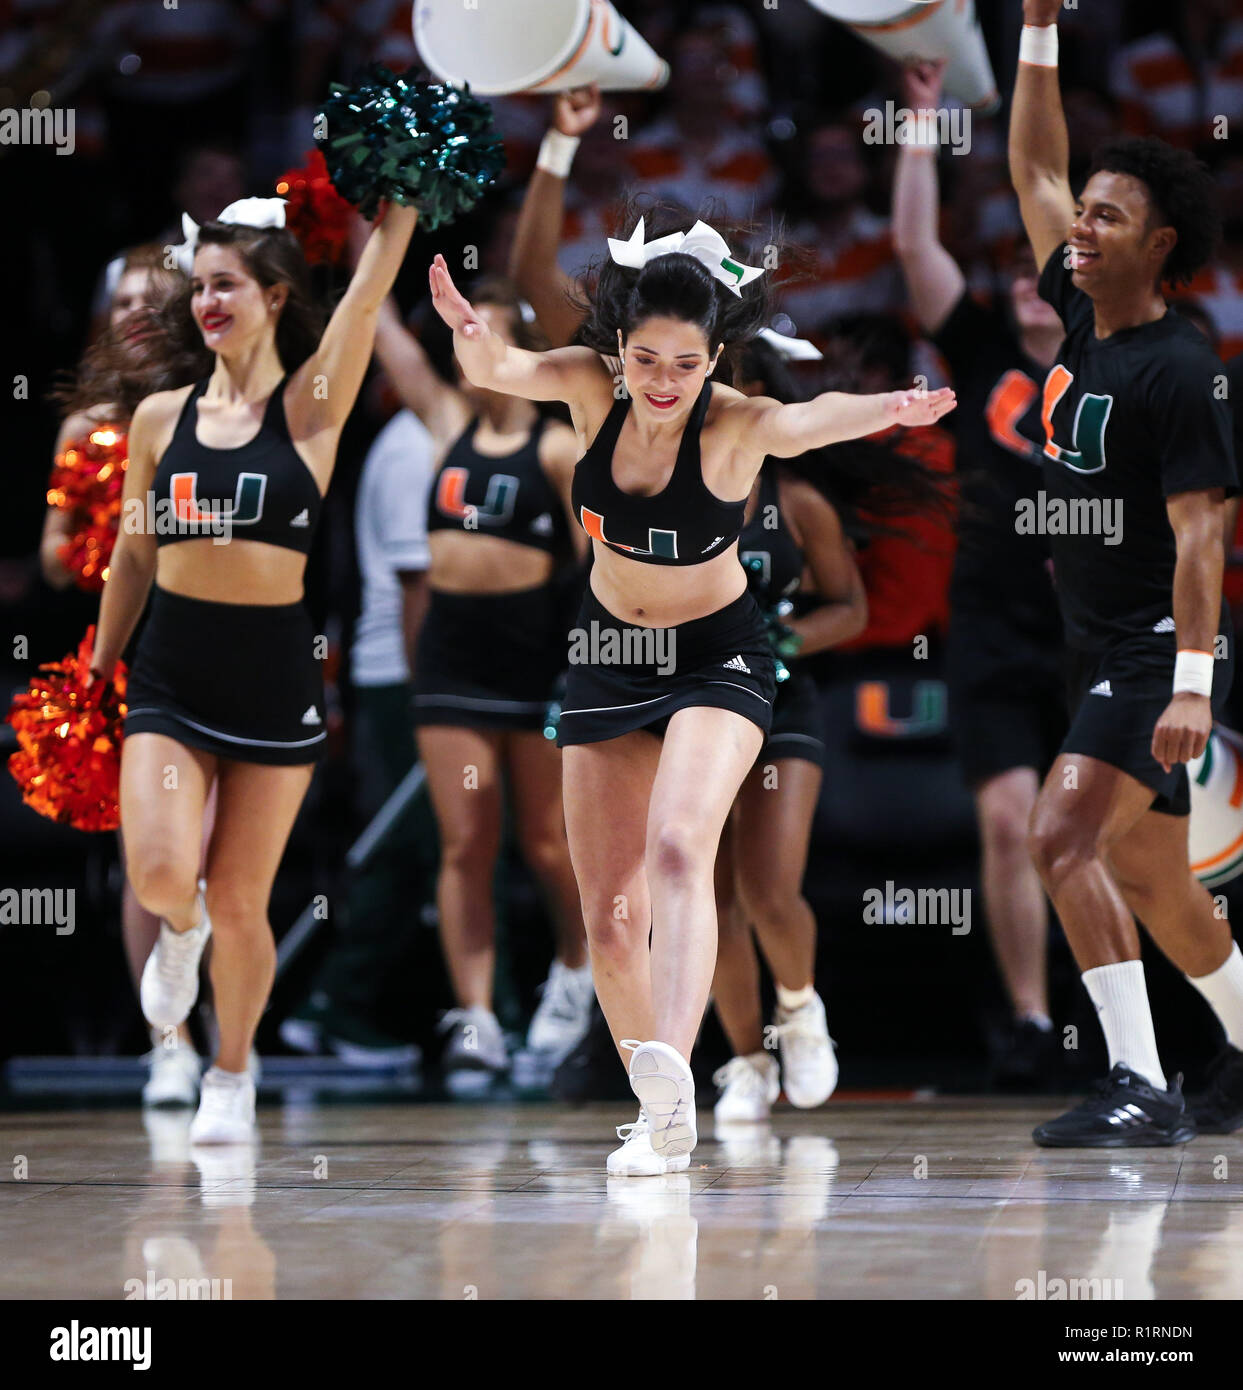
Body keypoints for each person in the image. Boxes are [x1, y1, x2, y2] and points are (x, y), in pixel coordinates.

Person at [428, 204, 955, 1172]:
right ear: (618, 347)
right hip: (605, 662)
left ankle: (687, 1054)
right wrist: (474, 338)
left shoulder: (738, 427)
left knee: (680, 848)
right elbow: (500, 372)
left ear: (715, 358)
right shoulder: (589, 390)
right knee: (610, 917)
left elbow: (810, 420)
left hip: (718, 657)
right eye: (645, 359)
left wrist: (889, 408)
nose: (662, 381)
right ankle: (661, 1110)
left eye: (684, 362)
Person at [88, 194, 419, 1143]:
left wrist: (395, 215)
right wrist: (97, 665)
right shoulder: (159, 417)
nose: (206, 304)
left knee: (240, 898)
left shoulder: (312, 406)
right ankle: (178, 939)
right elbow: (133, 554)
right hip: (170, 670)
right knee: (159, 876)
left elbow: (360, 303)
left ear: (274, 297)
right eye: (198, 288)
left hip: (274, 676)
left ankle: (231, 1072)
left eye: (225, 286)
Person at [1011, 0, 1243, 1145]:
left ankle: (1140, 1082)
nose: (1080, 225)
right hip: (1095, 642)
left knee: (1055, 839)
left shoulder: (1181, 367)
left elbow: (1204, 536)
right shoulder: (1077, 311)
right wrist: (1041, 27)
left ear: (1160, 245)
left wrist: (1193, 681)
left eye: (1107, 216)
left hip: (1159, 646)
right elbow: (1032, 160)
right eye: (1083, 212)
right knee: (1157, 885)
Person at [366, 277, 592, 1091]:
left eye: (491, 337)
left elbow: (595, 568)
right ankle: (478, 1018)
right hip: (450, 661)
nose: (477, 353)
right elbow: (380, 326)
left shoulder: (559, 446)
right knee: (465, 843)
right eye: (466, 339)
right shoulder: (443, 424)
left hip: (535, 658)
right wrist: (371, 215)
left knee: (544, 841)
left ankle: (575, 976)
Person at [892, 59, 1069, 1090]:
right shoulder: (981, 350)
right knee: (1008, 819)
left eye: (1032, 267)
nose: (1015, 281)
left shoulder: (1123, 362)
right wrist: (919, 124)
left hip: (1096, 627)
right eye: (1005, 270)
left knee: (1096, 834)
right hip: (993, 626)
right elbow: (915, 242)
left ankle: (1138, 1027)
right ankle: (1030, 1022)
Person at [45, 243, 222, 1108]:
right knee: (147, 862)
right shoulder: (84, 428)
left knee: (217, 864)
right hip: (125, 662)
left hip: (221, 642)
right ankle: (168, 1043)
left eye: (154, 298)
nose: (136, 314)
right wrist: (104, 549)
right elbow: (51, 558)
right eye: (122, 300)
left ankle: (230, 1043)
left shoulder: (215, 409)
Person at [710, 334, 866, 1123]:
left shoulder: (795, 500)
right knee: (706, 900)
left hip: (779, 703)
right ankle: (744, 1062)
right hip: (690, 703)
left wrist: (788, 638)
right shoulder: (664, 486)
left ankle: (799, 1014)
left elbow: (852, 607)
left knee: (768, 887)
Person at [279, 397, 436, 1068]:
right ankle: (331, 1003)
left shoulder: (438, 435)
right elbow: (414, 584)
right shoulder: (411, 446)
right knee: (411, 842)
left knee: (433, 845)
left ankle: (334, 1005)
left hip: (420, 677)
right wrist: (431, 693)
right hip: (401, 674)